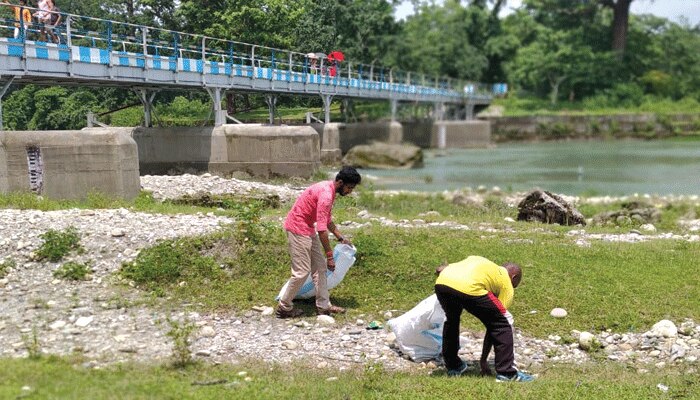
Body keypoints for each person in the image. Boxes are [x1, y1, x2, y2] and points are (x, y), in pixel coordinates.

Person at [276, 166, 362, 318]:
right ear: (340, 182)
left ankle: (323, 306)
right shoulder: (327, 195)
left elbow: (326, 219)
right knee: (301, 272)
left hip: (307, 228)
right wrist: (330, 255)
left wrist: (340, 238)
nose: (350, 192)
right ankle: (284, 307)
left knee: (320, 268)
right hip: (297, 228)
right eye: (349, 188)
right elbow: (322, 229)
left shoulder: (329, 189)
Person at [434, 255, 535, 382]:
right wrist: (483, 360)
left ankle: (454, 366)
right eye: (515, 285)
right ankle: (507, 373)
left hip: (442, 283)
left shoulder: (481, 263)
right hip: (469, 287)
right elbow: (496, 326)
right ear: (513, 277)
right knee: (502, 325)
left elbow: (441, 269)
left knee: (452, 320)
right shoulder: (505, 283)